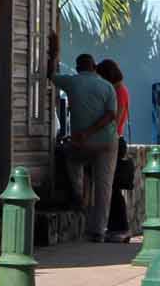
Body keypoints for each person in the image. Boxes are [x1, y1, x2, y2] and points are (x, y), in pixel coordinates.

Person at [50, 52, 120, 242]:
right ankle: (98, 231)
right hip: (107, 141)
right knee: (104, 186)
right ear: (94, 67)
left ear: (78, 67)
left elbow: (51, 75)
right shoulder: (107, 86)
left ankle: (79, 193)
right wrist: (92, 131)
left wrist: (53, 54)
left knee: (71, 158)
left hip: (82, 141)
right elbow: (111, 115)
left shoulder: (72, 82)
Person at [96, 58, 132, 239]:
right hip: (117, 139)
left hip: (113, 140)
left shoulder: (117, 91)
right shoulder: (122, 89)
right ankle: (117, 227)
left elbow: (115, 118)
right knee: (113, 186)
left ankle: (120, 227)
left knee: (113, 187)